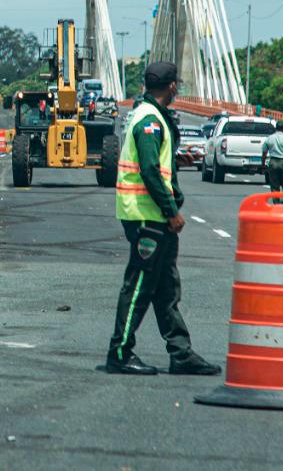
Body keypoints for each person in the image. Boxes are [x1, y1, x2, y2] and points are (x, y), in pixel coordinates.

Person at [106, 61, 220, 377]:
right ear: (172, 87)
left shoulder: (149, 116)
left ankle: (181, 353)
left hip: (151, 215)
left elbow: (155, 162)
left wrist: (176, 158)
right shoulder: (150, 121)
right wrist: (171, 212)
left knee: (166, 286)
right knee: (140, 285)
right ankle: (119, 352)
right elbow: (149, 170)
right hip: (147, 216)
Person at [260, 121, 283, 194]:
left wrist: (263, 165)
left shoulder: (269, 138)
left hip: (273, 161)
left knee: (274, 185)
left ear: (276, 128)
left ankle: (276, 203)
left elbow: (264, 153)